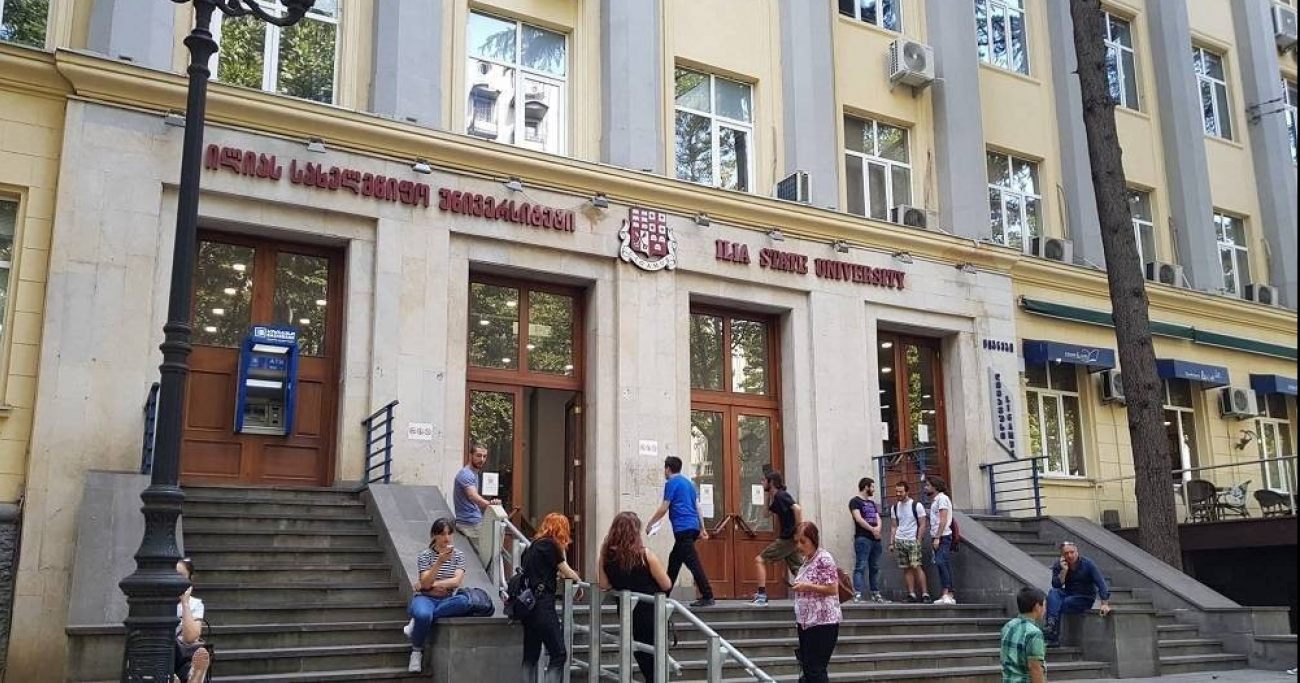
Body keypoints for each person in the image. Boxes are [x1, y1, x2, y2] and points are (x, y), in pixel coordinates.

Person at [598, 512, 673, 682]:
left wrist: (603, 557)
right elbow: (666, 584)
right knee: (654, 652)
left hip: (628, 612)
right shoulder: (644, 555)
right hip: (650, 610)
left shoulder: (607, 556)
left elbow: (603, 584)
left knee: (640, 649)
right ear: (635, 531)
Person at [520, 512, 583, 683]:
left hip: (529, 606)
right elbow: (567, 571)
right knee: (559, 653)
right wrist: (578, 581)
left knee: (530, 657)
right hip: (543, 606)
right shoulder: (550, 545)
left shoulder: (533, 546)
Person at [644, 455, 715, 607]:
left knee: (693, 563)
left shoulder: (671, 483)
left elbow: (664, 507)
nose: (664, 472)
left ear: (668, 469)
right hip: (692, 528)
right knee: (674, 561)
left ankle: (708, 595)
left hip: (682, 529)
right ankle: (664, 594)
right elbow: (698, 507)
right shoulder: (690, 483)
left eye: (665, 468)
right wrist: (702, 528)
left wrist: (650, 523)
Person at [407, 518, 471, 673]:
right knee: (423, 614)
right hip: (425, 598)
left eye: (449, 534)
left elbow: (456, 581)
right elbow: (425, 584)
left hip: (447, 600)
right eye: (442, 534)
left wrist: (432, 584)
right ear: (434, 535)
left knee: (464, 602)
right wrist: (439, 562)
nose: (446, 538)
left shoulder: (459, 555)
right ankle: (416, 652)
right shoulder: (425, 555)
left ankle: (417, 622)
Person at [790, 521, 841, 683]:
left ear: (813, 540)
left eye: (803, 541)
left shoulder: (824, 559)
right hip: (806, 622)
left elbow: (832, 588)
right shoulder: (807, 561)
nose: (799, 546)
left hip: (823, 623)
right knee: (807, 669)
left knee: (815, 669)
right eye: (796, 542)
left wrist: (806, 586)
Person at [1044, 541, 1111, 647]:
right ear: (1062, 555)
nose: (1070, 555)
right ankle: (1051, 626)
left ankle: (1052, 634)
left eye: (1072, 552)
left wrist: (1104, 604)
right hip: (1068, 593)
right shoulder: (1059, 565)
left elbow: (1101, 583)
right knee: (1053, 593)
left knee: (1058, 604)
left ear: (1077, 552)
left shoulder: (1088, 564)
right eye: (1066, 553)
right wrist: (1064, 571)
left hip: (1084, 597)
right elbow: (1056, 585)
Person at [752, 470, 802, 606]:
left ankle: (761, 595)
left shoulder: (781, 495)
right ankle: (810, 594)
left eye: (764, 480)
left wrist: (799, 532)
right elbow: (766, 514)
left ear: (771, 482)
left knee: (759, 560)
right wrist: (767, 495)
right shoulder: (776, 497)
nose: (761, 483)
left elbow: (797, 509)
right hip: (790, 539)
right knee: (798, 568)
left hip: (788, 538)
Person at [453, 442, 501, 566]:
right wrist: (490, 505)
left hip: (473, 522)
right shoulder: (466, 474)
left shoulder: (474, 474)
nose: (482, 459)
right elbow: (473, 496)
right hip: (470, 524)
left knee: (489, 555)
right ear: (471, 455)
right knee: (486, 559)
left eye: (484, 456)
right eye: (478, 455)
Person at [887, 481, 930, 603]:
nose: (898, 494)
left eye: (901, 492)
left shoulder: (916, 505)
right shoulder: (895, 507)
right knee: (906, 568)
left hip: (912, 539)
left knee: (916, 566)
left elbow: (923, 524)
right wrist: (891, 542)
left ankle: (925, 594)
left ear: (907, 492)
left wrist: (918, 540)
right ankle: (911, 594)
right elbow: (894, 526)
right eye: (896, 492)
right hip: (900, 539)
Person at [1001, 586, 1048, 683]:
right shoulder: (1034, 633)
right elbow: (1035, 669)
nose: (1045, 610)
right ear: (1037, 607)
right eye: (1044, 605)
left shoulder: (1008, 626)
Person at [174, 558, 210, 683]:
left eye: (181, 576)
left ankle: (193, 676)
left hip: (184, 655)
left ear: (190, 578)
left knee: (190, 661)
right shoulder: (157, 601)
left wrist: (185, 603)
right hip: (164, 651)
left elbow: (190, 638)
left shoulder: (195, 604)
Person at [849, 477, 884, 603]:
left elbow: (878, 517)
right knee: (861, 566)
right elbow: (858, 519)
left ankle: (875, 593)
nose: (873, 489)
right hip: (863, 538)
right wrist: (872, 529)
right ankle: (858, 593)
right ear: (866, 487)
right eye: (872, 487)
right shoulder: (855, 501)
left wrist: (878, 529)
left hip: (875, 539)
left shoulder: (872, 503)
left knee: (875, 567)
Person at [924, 476, 957, 604]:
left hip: (943, 536)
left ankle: (948, 593)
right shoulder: (936, 500)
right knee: (943, 563)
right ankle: (947, 593)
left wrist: (937, 537)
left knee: (941, 562)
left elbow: (943, 520)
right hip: (938, 536)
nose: (925, 487)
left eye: (928, 485)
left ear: (935, 487)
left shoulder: (942, 499)